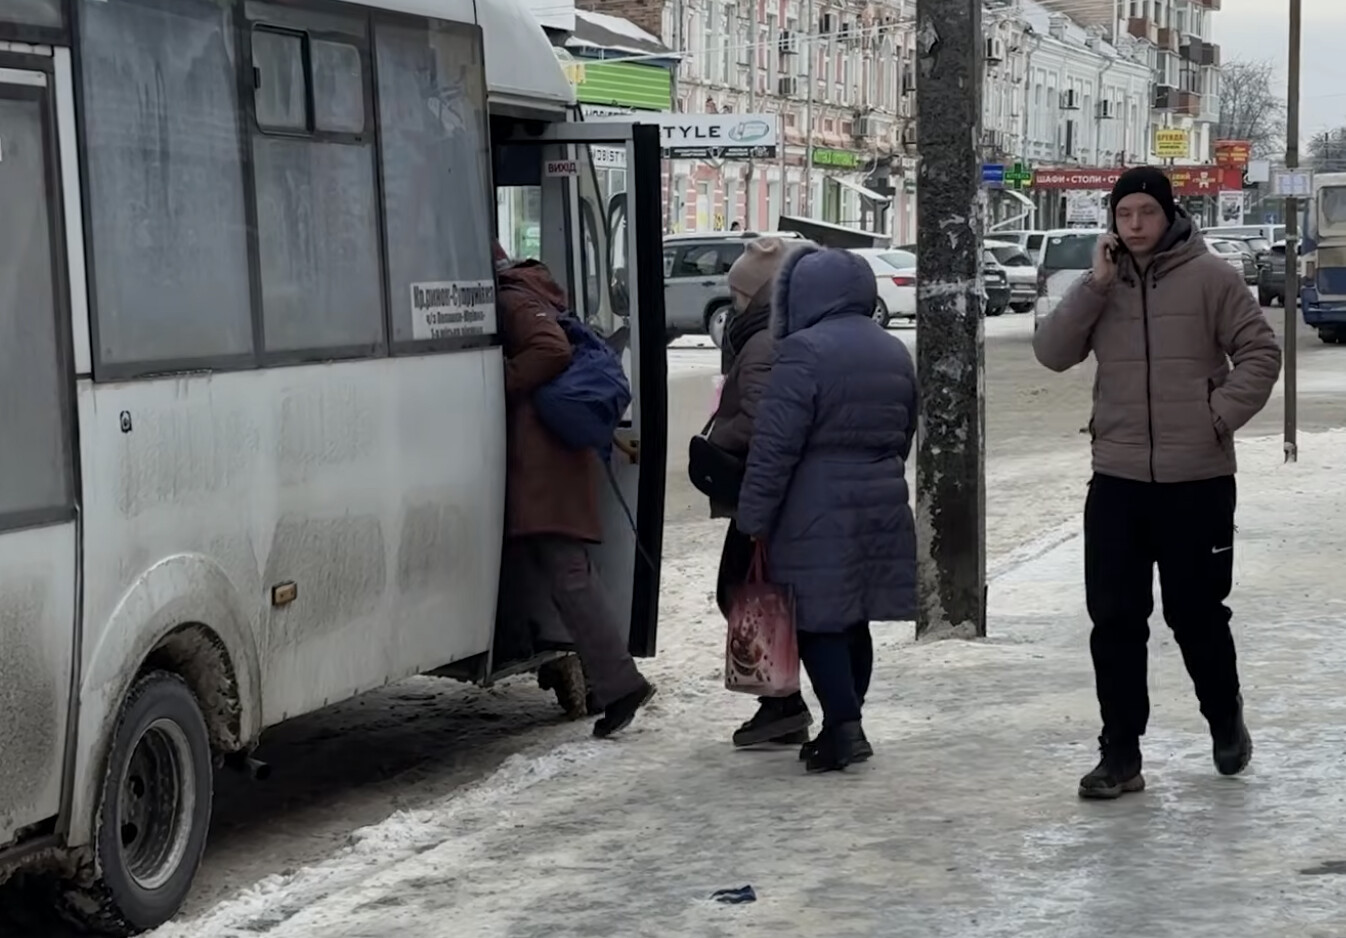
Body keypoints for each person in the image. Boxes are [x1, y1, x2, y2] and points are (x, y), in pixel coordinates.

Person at [1032, 166, 1281, 799]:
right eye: (1125, 214)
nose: (1135, 225)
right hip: (1116, 480)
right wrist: (1095, 284)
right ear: (1112, 221)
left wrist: (1217, 417)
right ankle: (1120, 754)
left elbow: (1260, 352)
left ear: (1168, 214)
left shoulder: (1213, 279)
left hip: (1196, 479)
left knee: (1196, 614)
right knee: (1114, 619)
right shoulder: (1101, 284)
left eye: (1146, 212)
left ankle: (1224, 718)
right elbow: (1052, 353)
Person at [736, 246, 918, 773]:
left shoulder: (801, 352)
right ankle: (847, 720)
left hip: (814, 504)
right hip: (880, 495)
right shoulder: (892, 350)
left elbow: (774, 446)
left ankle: (844, 727)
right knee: (853, 616)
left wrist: (754, 518)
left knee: (816, 621)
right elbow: (904, 428)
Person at [493, 241, 656, 738]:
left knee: (569, 574)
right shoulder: (527, 291)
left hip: (546, 463)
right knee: (561, 572)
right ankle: (608, 678)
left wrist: (493, 380)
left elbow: (550, 349)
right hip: (551, 458)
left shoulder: (511, 299)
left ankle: (621, 683)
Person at [703, 237, 813, 748]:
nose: (733, 303)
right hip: (775, 489)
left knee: (743, 591)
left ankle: (783, 703)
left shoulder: (765, 340)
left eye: (739, 292)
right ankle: (783, 703)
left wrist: (718, 441)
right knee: (756, 594)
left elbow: (768, 421)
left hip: (765, 490)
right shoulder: (772, 333)